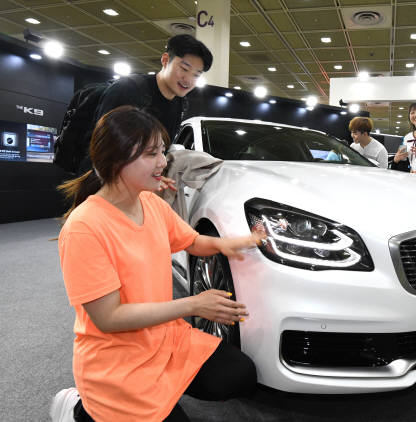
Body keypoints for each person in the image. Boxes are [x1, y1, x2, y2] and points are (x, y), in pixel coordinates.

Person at [50, 106, 263, 421]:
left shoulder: (150, 203)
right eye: (151, 154)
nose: (164, 162)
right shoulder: (84, 227)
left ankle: (160, 393)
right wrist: (193, 305)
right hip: (117, 358)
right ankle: (81, 408)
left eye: (163, 151)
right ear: (116, 158)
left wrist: (232, 243)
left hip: (162, 337)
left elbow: (191, 241)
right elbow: (109, 317)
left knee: (238, 374)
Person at [86, 34, 213, 190]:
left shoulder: (180, 103)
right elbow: (100, 148)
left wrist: (155, 177)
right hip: (104, 186)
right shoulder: (129, 89)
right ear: (165, 60)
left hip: (136, 190)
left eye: (196, 75)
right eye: (184, 69)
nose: (188, 80)